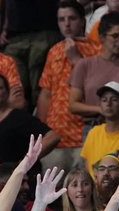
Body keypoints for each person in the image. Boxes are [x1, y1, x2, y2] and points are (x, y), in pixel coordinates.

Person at [37, 0, 99, 173]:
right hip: (56, 136)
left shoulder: (96, 50)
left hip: (85, 134)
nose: (66, 24)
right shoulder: (54, 50)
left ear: (82, 21)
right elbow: (45, 94)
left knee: (83, 189)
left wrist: (75, 59)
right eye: (61, 19)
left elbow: (97, 90)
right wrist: (43, 131)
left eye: (72, 18)